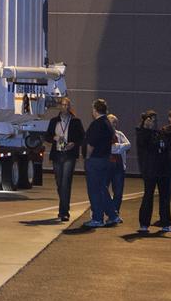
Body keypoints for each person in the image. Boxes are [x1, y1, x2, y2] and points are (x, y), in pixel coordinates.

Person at [134, 110, 171, 234]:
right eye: (150, 119)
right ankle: (144, 224)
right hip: (150, 170)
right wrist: (160, 144)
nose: (153, 122)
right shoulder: (142, 134)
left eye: (154, 120)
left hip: (162, 169)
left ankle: (166, 223)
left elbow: (168, 141)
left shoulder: (158, 133)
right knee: (148, 196)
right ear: (145, 120)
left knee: (164, 197)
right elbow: (152, 145)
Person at [45, 97, 85, 222]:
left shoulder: (75, 121)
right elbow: (47, 136)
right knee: (59, 182)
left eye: (67, 105)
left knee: (66, 182)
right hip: (57, 154)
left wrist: (74, 143)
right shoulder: (54, 121)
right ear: (60, 106)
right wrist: (55, 138)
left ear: (70, 106)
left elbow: (82, 137)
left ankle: (64, 212)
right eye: (63, 105)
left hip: (69, 154)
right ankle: (63, 207)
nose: (65, 107)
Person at [83, 99, 118, 227]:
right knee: (102, 188)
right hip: (105, 159)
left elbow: (91, 144)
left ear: (95, 110)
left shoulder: (97, 124)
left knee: (94, 190)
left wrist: (87, 157)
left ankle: (97, 218)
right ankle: (112, 215)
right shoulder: (107, 123)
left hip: (95, 160)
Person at [107, 113, 130, 217]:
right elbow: (108, 148)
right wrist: (118, 148)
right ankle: (106, 210)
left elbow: (128, 145)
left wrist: (116, 147)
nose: (113, 125)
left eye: (114, 123)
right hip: (106, 166)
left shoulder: (119, 134)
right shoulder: (103, 134)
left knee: (118, 191)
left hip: (119, 166)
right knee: (103, 189)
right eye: (111, 123)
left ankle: (115, 212)